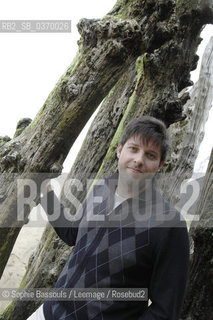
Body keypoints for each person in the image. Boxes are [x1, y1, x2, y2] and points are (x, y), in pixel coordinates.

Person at [28, 116, 189, 320]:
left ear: (160, 165)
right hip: (47, 313)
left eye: (150, 155)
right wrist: (46, 193)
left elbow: (165, 311)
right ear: (119, 150)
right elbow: (73, 234)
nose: (139, 159)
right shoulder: (101, 190)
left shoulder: (169, 225)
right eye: (133, 148)